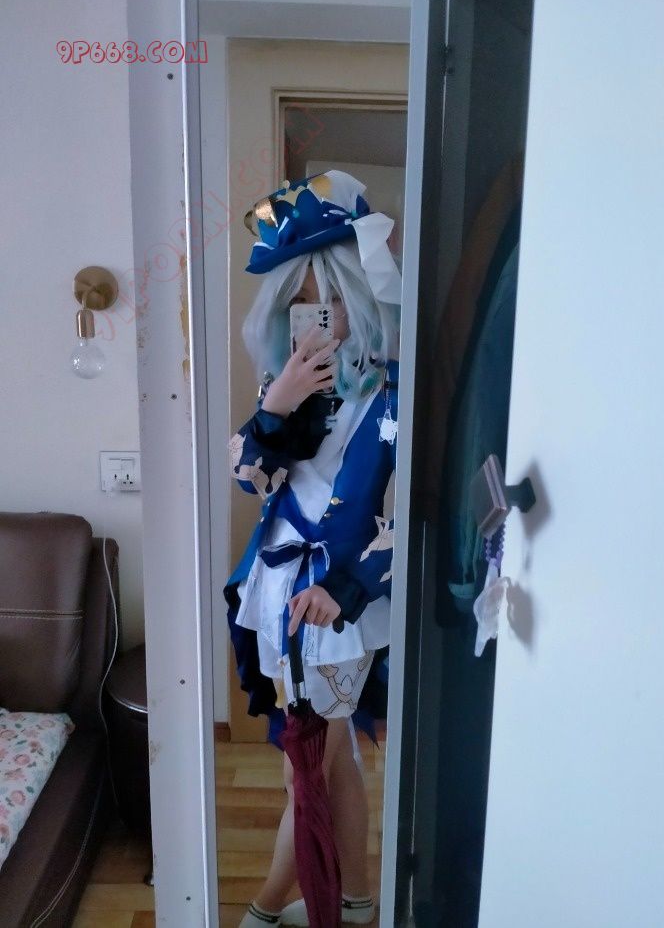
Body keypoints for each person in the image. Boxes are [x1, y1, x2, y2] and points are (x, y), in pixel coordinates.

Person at [222, 170, 401, 928]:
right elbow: (251, 480)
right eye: (298, 306)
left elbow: (405, 515)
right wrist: (276, 405)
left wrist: (350, 586)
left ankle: (266, 909)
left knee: (312, 767)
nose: (315, 321)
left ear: (356, 298)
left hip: (335, 606)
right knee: (333, 757)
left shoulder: (393, 393)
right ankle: (355, 903)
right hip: (280, 591)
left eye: (326, 302)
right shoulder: (289, 388)